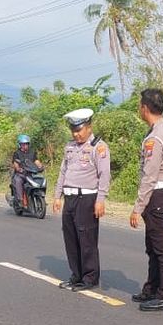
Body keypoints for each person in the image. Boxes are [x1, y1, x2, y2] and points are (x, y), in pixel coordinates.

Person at [129, 88, 163, 311]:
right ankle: (152, 289)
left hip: (158, 195)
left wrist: (137, 208)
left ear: (145, 108)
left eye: (140, 105)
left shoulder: (155, 138)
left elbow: (150, 175)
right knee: (153, 245)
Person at [52, 108, 110, 291]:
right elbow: (63, 172)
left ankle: (89, 278)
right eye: (73, 131)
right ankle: (76, 275)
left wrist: (100, 199)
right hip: (69, 198)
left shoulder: (98, 147)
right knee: (71, 238)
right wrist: (57, 196)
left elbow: (104, 175)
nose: (76, 134)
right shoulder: (69, 147)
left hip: (87, 198)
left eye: (79, 130)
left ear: (89, 127)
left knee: (86, 240)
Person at [9, 134, 42, 210]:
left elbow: (36, 160)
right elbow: (15, 163)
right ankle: (20, 200)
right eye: (23, 144)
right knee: (18, 180)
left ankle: (38, 196)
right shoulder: (17, 153)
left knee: (40, 179)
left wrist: (40, 166)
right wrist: (18, 168)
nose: (25, 146)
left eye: (26, 144)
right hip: (21, 174)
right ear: (19, 144)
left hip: (31, 173)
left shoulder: (32, 152)